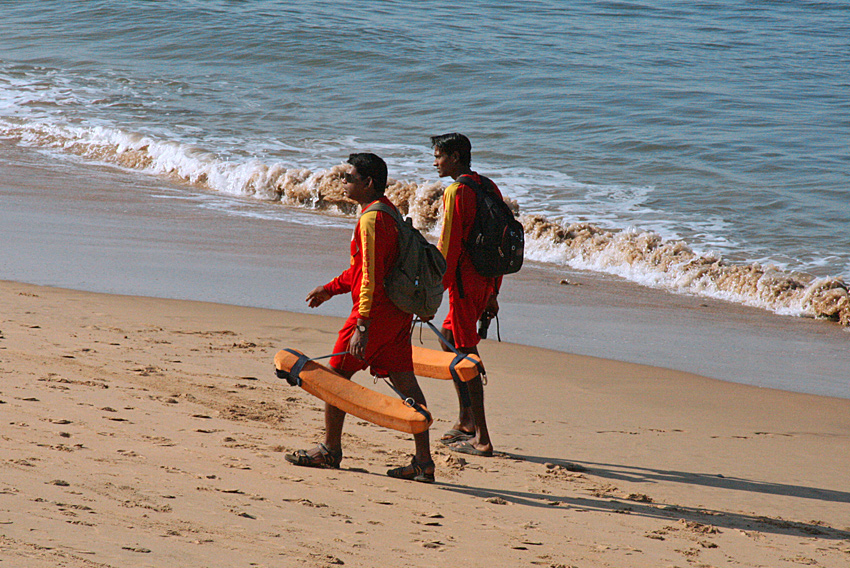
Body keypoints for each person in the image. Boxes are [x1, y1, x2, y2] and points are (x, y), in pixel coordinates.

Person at [286, 153, 434, 483]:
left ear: (367, 183)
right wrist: (331, 289)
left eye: (349, 178)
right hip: (397, 313)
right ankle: (423, 461)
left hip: (374, 315)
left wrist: (362, 326)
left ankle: (330, 450)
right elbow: (363, 269)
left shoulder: (371, 220)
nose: (344, 182)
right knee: (405, 381)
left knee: (334, 379)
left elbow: (369, 277)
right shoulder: (387, 212)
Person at [430, 133, 501, 457]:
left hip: (463, 282)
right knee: (448, 338)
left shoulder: (457, 191)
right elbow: (502, 243)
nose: (435, 162)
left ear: (455, 157)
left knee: (466, 354)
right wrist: (494, 291)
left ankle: (482, 438)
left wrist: (432, 291)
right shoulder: (488, 186)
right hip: (485, 280)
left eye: (439, 156)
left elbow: (449, 246)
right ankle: (465, 421)